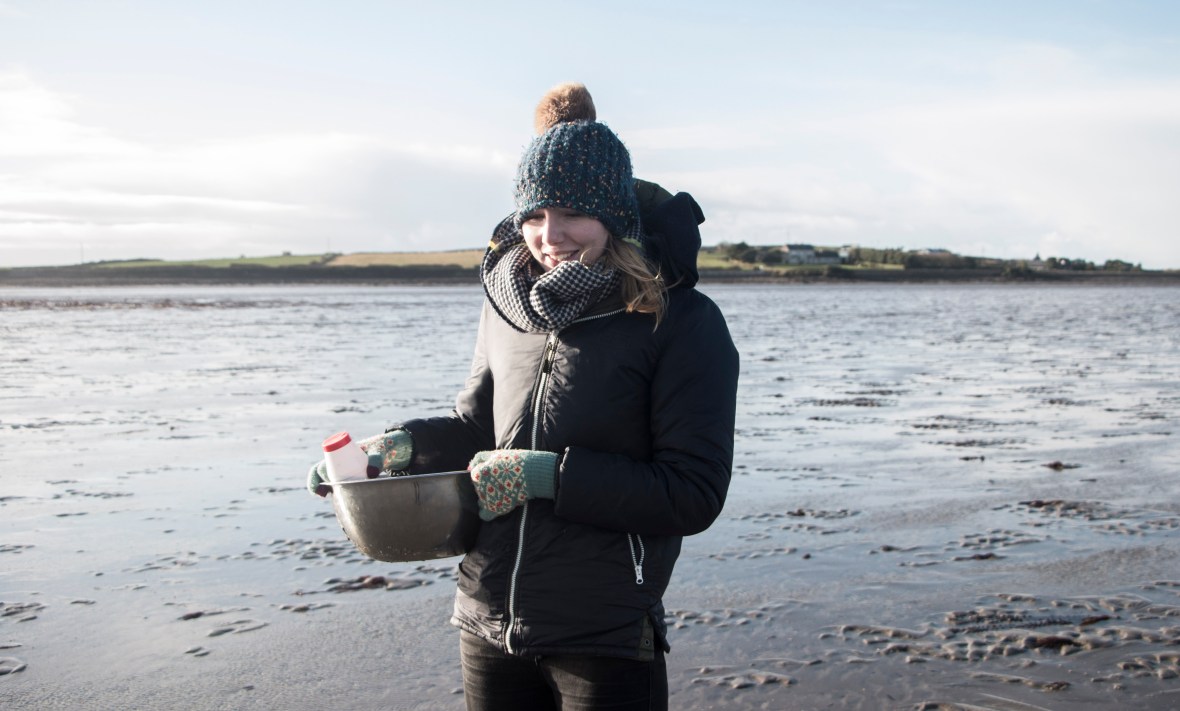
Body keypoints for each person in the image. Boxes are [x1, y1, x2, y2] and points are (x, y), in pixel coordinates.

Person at [308, 82, 739, 711]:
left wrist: (549, 478)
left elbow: (694, 491)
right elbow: (477, 426)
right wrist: (399, 447)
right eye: (534, 216)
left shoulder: (679, 322)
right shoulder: (506, 305)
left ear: (613, 217)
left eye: (570, 214)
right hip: (486, 618)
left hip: (606, 632)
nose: (549, 234)